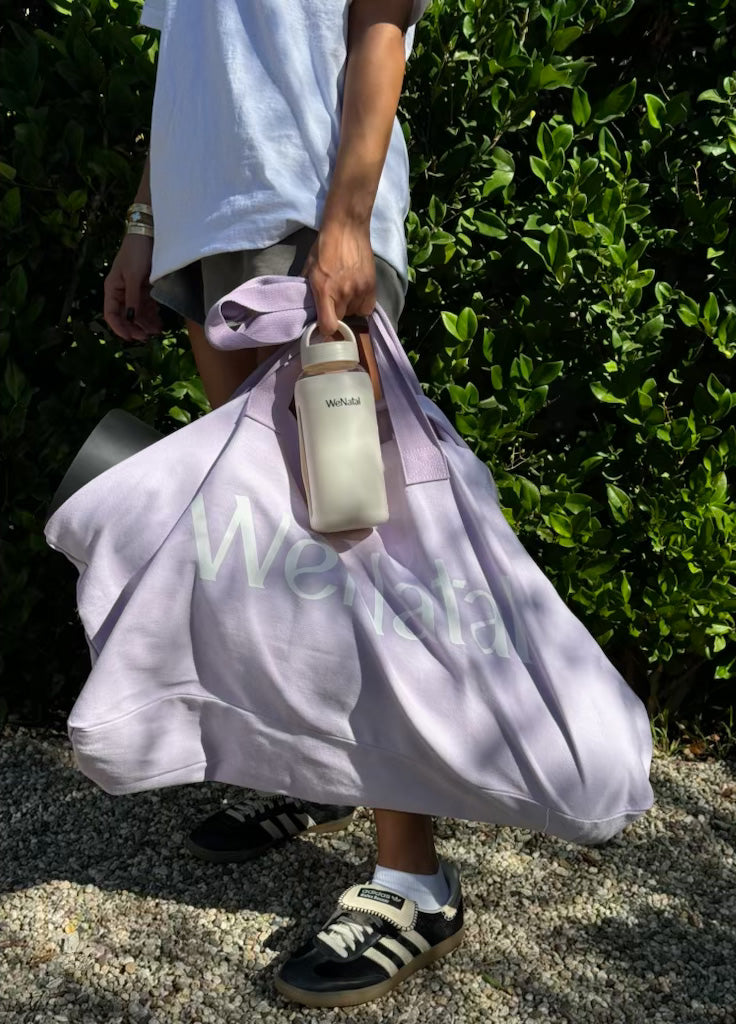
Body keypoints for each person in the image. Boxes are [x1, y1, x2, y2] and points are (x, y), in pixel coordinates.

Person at [102, 0, 463, 1009]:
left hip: (306, 207)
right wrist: (145, 223)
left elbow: (380, 23)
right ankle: (318, 771)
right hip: (208, 213)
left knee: (354, 540)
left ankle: (415, 880)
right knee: (276, 540)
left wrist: (347, 219)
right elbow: (190, 58)